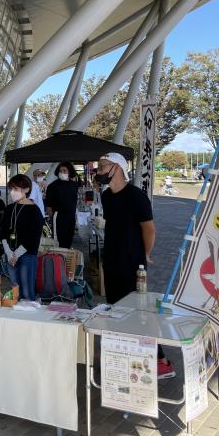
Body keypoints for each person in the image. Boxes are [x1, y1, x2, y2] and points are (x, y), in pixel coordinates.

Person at [96, 152, 174, 379]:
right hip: (111, 259)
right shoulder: (107, 196)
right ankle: (124, 355)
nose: (98, 171)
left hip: (133, 263)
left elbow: (149, 229)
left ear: (117, 168)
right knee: (115, 309)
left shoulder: (136, 196)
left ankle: (160, 360)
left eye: (102, 167)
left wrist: (145, 254)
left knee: (138, 312)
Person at [0, 174, 44, 300]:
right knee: (15, 290)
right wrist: (9, 253)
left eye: (16, 189)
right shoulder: (9, 209)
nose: (12, 192)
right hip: (10, 255)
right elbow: (3, 232)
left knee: (27, 292)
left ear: (26, 189)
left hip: (27, 255)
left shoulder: (35, 211)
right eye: (11, 189)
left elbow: (33, 237)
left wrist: (16, 254)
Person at [45, 161, 79, 248]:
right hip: (58, 217)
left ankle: (66, 259)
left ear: (69, 172)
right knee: (58, 241)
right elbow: (48, 206)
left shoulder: (74, 185)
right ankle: (59, 260)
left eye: (64, 171)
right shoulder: (52, 186)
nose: (62, 173)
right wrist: (53, 217)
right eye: (60, 171)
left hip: (71, 217)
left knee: (69, 239)